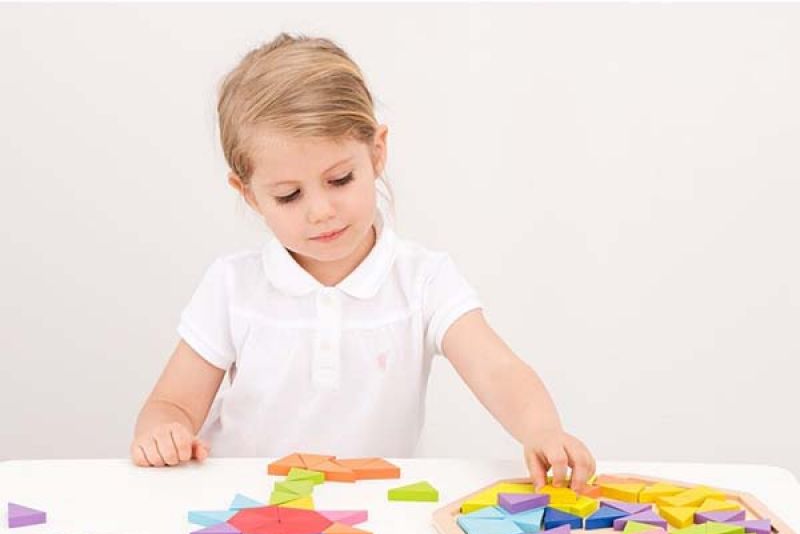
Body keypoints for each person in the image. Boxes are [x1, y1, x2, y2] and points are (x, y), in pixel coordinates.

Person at [130, 32, 596, 490]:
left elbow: (497, 369)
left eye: (339, 180)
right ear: (248, 194)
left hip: (375, 513)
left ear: (376, 153)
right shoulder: (233, 285)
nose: (320, 211)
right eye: (289, 195)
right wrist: (164, 432)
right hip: (248, 509)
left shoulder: (423, 280)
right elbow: (173, 403)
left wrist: (542, 430)